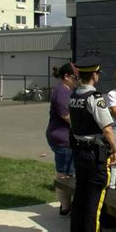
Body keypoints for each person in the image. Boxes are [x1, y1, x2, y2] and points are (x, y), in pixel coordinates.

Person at [68, 57, 116, 232]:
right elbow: (107, 129)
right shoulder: (95, 98)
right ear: (94, 75)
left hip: (79, 153)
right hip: (94, 155)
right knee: (94, 203)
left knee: (80, 197)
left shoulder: (74, 95)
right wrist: (115, 148)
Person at [45, 62, 79, 216]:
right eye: (76, 77)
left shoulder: (66, 90)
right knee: (64, 175)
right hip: (62, 138)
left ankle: (67, 205)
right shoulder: (61, 92)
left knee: (68, 173)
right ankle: (65, 207)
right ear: (66, 76)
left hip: (65, 137)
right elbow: (67, 116)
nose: (78, 80)